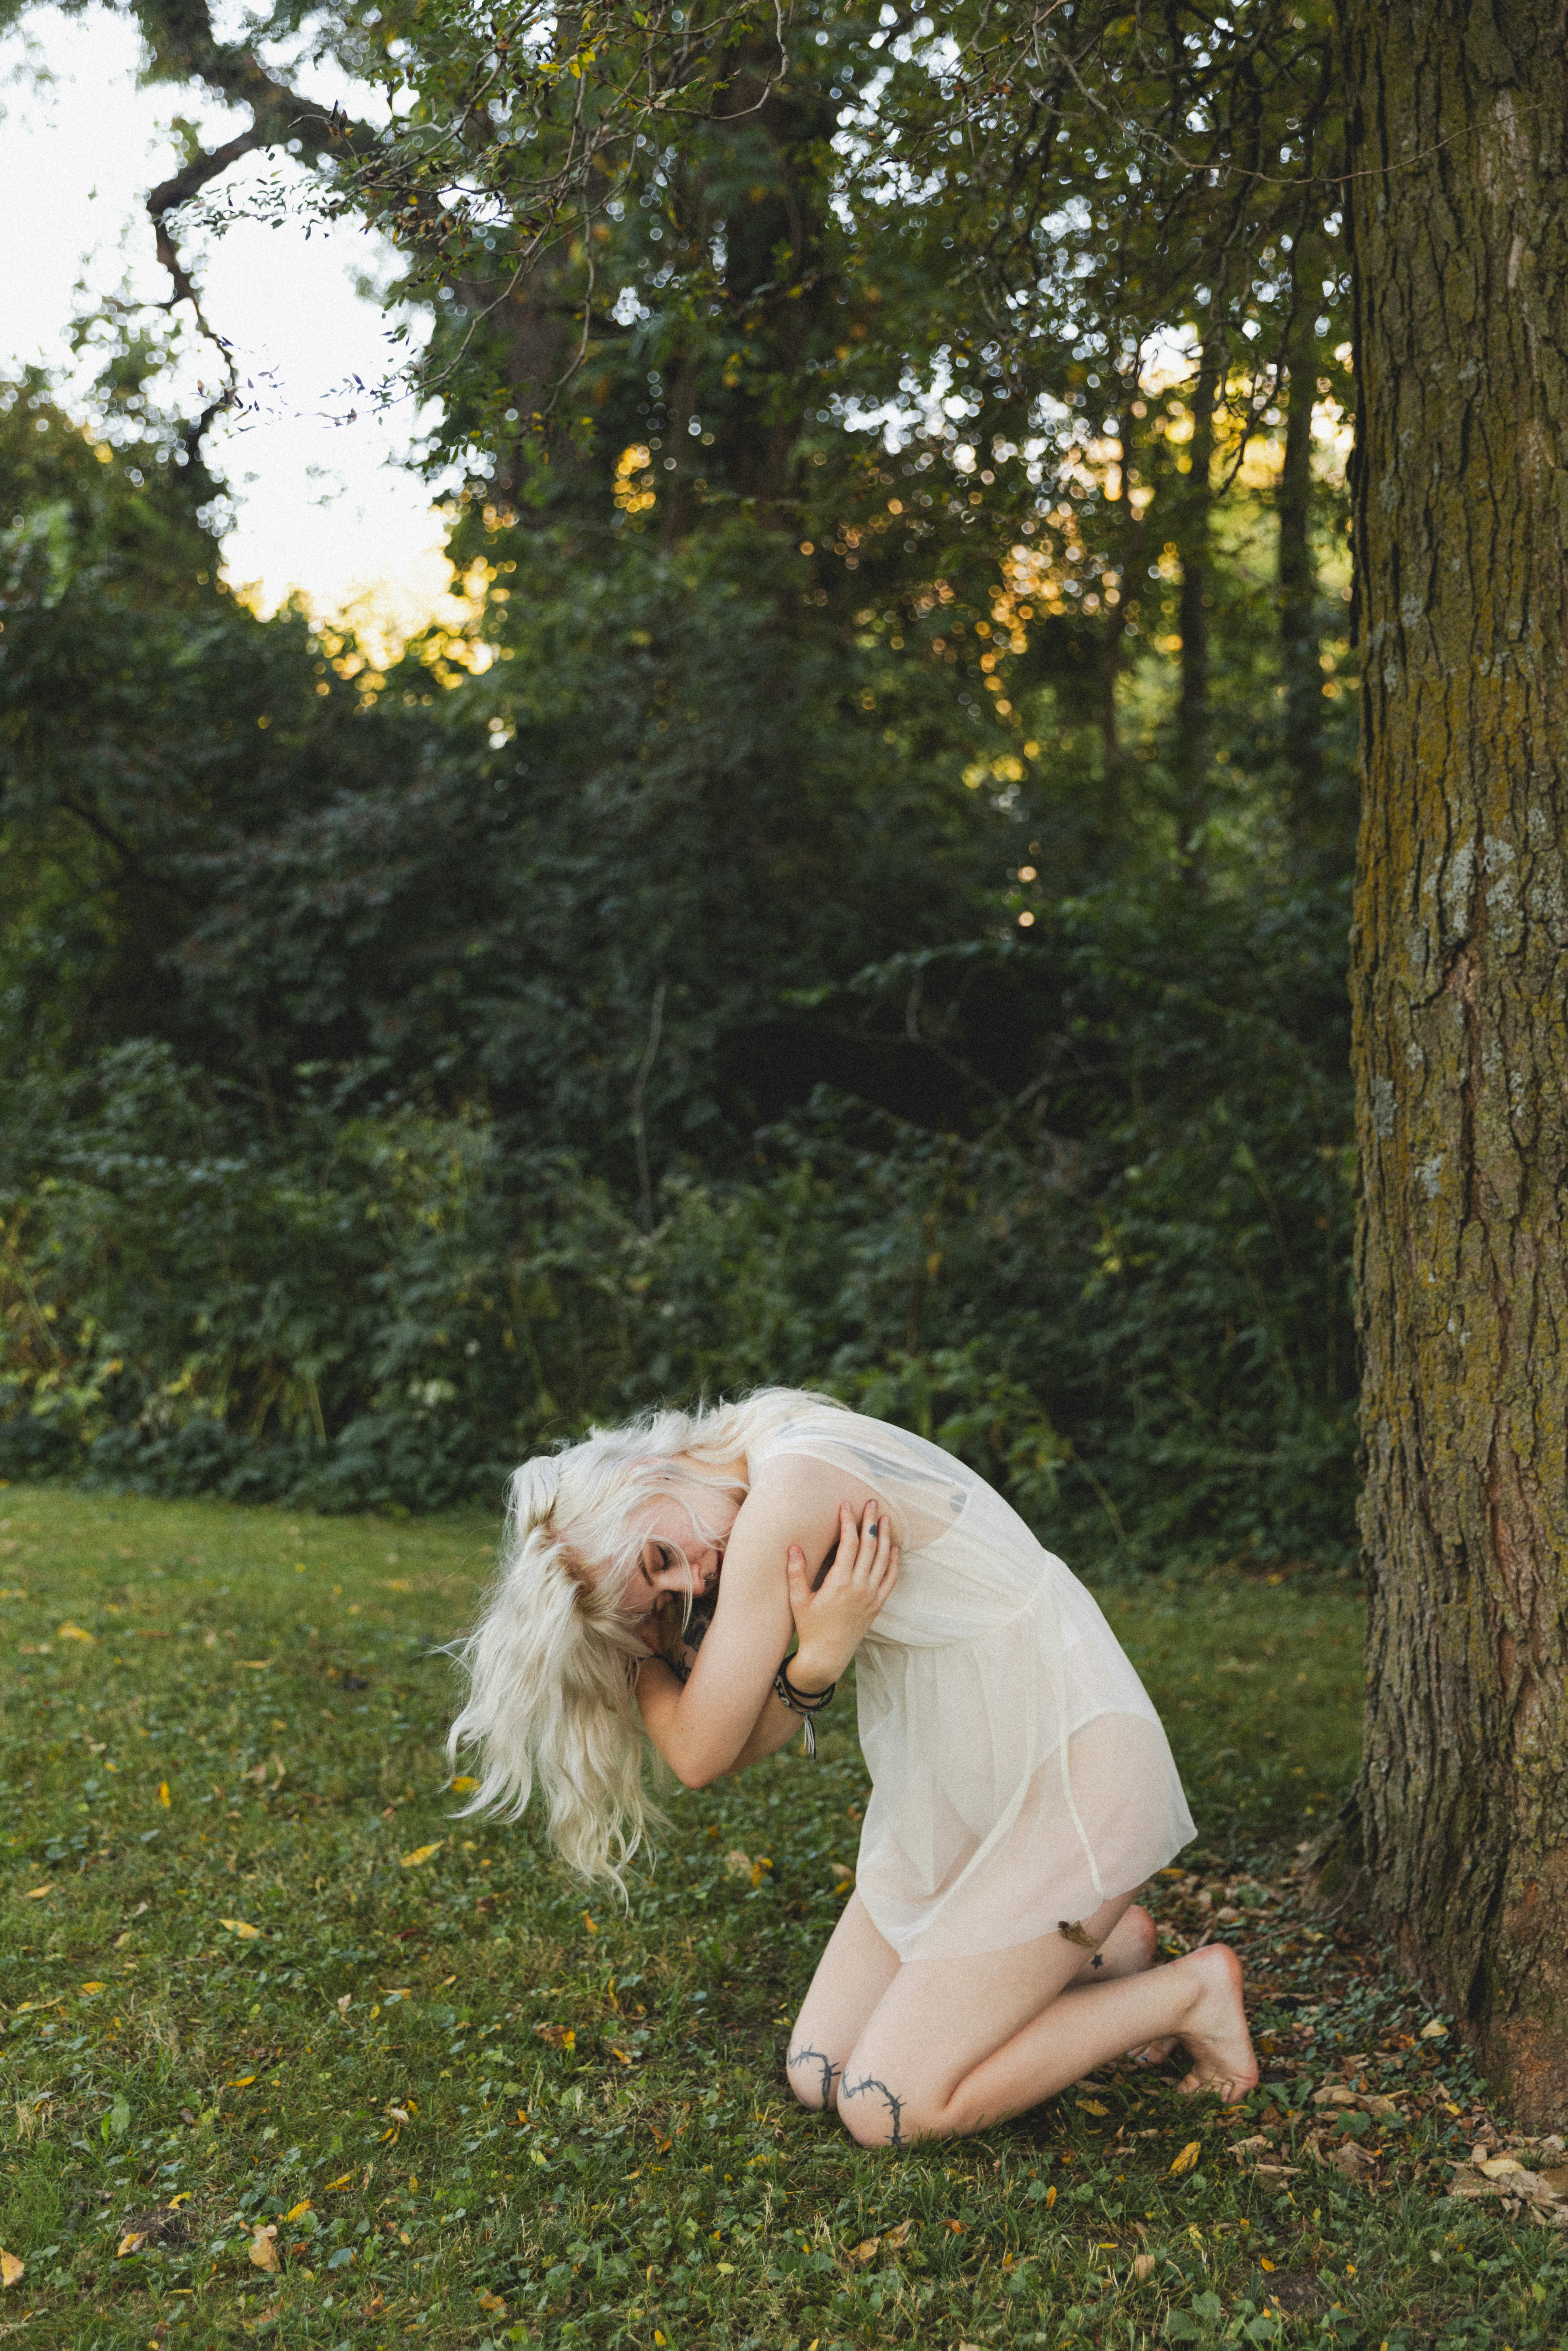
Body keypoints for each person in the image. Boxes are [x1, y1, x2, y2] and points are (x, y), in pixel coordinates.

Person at [449, 1387, 1257, 2148]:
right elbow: (740, 1731)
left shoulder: (787, 1495)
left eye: (662, 1555)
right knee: (818, 2071)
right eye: (663, 1594)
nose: (693, 1581)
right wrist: (811, 1665)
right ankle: (1104, 1951)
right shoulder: (762, 1441)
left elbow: (700, 1752)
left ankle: (1190, 1996)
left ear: (641, 1472)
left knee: (886, 2106)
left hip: (1072, 1773)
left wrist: (627, 1649)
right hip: (964, 1784)